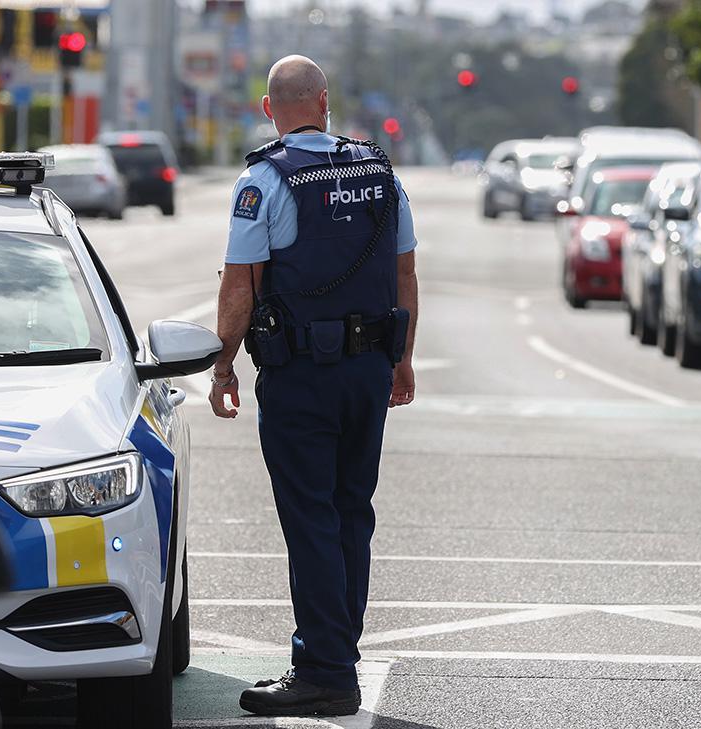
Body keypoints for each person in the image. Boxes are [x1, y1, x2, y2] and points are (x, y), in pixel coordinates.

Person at [208, 55, 418, 717]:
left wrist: (221, 367)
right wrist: (402, 359)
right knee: (351, 513)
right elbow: (405, 275)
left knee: (312, 519)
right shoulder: (380, 172)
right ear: (324, 102)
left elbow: (239, 287)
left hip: (300, 375)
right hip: (367, 370)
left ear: (271, 109)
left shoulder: (263, 180)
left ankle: (325, 670)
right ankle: (337, 655)